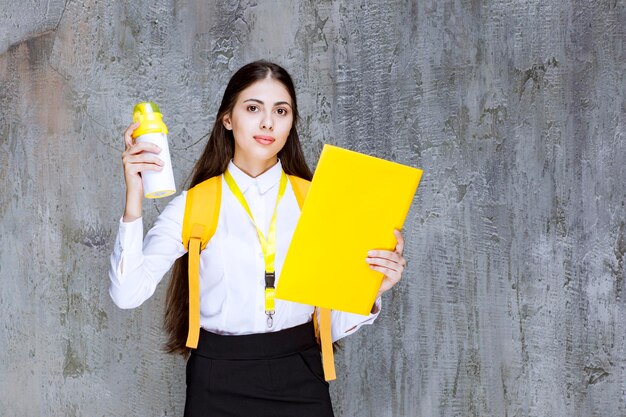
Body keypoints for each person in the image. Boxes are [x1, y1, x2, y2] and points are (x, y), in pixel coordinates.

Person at [109, 60, 407, 417]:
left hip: (301, 372)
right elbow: (127, 295)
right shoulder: (195, 204)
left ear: (291, 122)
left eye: (281, 111)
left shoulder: (318, 202)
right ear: (228, 119)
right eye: (253, 108)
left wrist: (373, 286)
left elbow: (331, 324)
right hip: (216, 379)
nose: (268, 122)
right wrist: (134, 198)